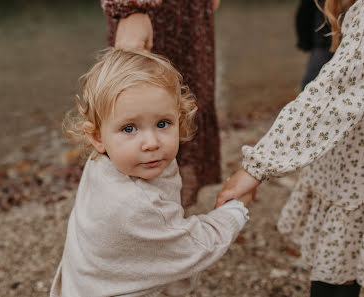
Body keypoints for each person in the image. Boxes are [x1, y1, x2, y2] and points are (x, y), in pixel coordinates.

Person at [50, 48, 252, 297]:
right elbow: (195, 245)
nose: (151, 142)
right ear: (97, 137)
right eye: (129, 128)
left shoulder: (103, 160)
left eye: (162, 124)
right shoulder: (137, 205)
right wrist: (235, 210)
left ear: (179, 119)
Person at [216, 0, 363, 296]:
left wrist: (255, 167)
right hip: (348, 163)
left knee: (337, 274)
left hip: (353, 179)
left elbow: (326, 101)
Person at [100, 0, 222, 206]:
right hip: (155, 11)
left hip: (189, 12)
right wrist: (132, 8)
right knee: (137, 102)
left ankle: (171, 211)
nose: (152, 143)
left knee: (179, 101)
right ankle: (139, 212)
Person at [296, 0, 334, 89]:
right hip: (323, 42)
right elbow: (304, 13)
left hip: (333, 43)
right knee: (310, 82)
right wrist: (304, 39)